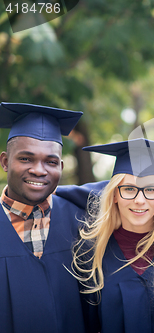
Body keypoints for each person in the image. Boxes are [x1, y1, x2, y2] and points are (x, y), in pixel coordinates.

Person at [71, 138, 154, 332]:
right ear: (114, 195)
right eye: (129, 189)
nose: (140, 200)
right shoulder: (91, 252)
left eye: (150, 189)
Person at [0, 102, 90, 333]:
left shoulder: (83, 221)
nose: (39, 170)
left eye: (50, 162)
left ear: (60, 167)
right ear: (4, 162)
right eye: (26, 159)